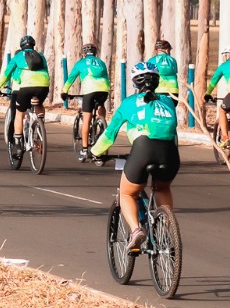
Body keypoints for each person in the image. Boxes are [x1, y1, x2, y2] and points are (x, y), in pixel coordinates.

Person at [91, 62, 179, 251]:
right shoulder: (168, 101)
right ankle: (166, 230)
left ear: (134, 82)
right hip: (170, 153)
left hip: (144, 149)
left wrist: (94, 152)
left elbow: (109, 134)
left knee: (127, 193)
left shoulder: (129, 103)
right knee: (162, 188)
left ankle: (136, 230)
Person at [0, 35, 51, 150]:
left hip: (26, 88)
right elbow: (46, 71)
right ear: (33, 45)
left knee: (20, 113)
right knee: (39, 104)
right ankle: (40, 124)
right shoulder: (41, 56)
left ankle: (18, 143)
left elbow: (6, 74)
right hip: (43, 86)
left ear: (21, 46)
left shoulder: (18, 56)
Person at [62, 43, 112, 154]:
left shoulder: (81, 63)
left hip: (90, 91)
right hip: (104, 89)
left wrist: (64, 91)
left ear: (84, 53)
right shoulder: (101, 63)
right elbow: (106, 77)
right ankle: (102, 122)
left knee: (86, 120)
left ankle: (84, 149)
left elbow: (71, 78)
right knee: (100, 104)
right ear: (95, 53)